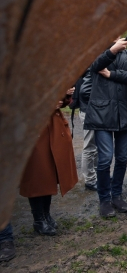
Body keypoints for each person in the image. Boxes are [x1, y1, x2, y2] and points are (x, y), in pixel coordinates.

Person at [84, 38, 127, 218]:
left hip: (125, 113)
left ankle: (117, 195)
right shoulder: (97, 51)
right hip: (102, 114)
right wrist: (112, 51)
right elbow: (96, 66)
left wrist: (112, 75)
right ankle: (104, 200)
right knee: (105, 158)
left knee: (121, 158)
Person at [19, 88, 78, 235]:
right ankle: (38, 220)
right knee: (37, 176)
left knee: (49, 174)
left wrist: (65, 95)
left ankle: (46, 215)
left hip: (53, 127)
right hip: (33, 130)